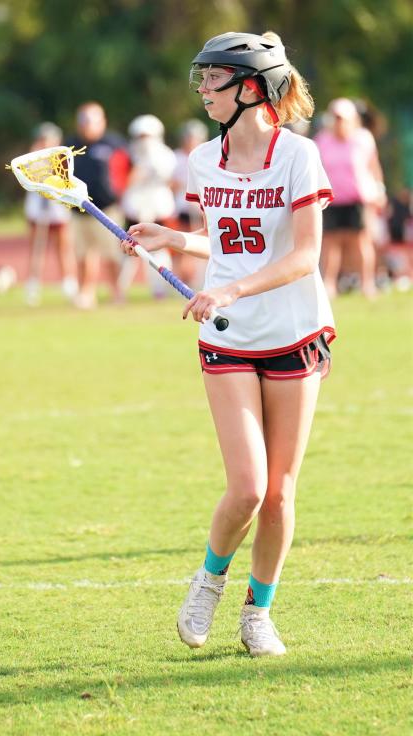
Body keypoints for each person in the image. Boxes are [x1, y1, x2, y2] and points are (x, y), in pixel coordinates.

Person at [124, 32, 335, 657]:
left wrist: (232, 290)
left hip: (294, 332)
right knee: (246, 486)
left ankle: (258, 613)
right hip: (229, 336)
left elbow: (304, 255)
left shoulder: (299, 155)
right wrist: (174, 238)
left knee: (278, 492)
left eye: (212, 79)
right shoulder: (201, 160)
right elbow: (226, 239)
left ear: (249, 87)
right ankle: (210, 579)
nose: (202, 91)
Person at [314, 97, 386, 299]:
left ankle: (367, 284)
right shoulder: (322, 140)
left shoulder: (363, 139)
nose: (339, 123)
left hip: (357, 198)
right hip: (330, 199)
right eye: (335, 118)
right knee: (330, 242)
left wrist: (380, 190)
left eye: (342, 118)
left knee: (361, 241)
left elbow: (374, 166)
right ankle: (329, 284)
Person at [64, 102, 130, 309]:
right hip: (79, 210)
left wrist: (121, 191)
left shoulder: (113, 143)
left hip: (106, 209)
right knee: (83, 254)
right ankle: (86, 293)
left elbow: (130, 167)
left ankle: (116, 292)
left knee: (111, 254)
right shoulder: (70, 145)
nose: (86, 126)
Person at [119, 114, 178, 299]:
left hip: (159, 208)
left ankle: (160, 289)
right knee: (128, 250)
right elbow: (123, 182)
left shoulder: (166, 155)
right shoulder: (129, 156)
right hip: (135, 210)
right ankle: (120, 290)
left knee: (160, 251)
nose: (145, 142)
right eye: (141, 137)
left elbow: (172, 181)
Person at [23, 122, 76, 306]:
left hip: (57, 208)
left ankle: (69, 283)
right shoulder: (31, 158)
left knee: (63, 247)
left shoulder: (62, 157)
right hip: (38, 208)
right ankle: (33, 285)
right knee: (37, 249)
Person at [171, 120, 210, 288]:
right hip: (181, 207)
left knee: (202, 243)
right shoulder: (177, 157)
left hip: (199, 208)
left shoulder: (206, 156)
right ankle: (178, 280)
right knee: (180, 245)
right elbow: (171, 183)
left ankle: (198, 280)